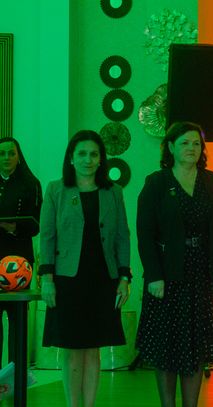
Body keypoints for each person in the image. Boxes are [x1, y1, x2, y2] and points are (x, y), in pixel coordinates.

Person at [136, 121, 213, 407]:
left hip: (204, 274)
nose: (191, 148)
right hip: (167, 276)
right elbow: (145, 233)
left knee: (196, 347)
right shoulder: (156, 182)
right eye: (184, 143)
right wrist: (154, 275)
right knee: (166, 347)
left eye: (196, 143)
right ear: (170, 147)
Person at [39, 130, 131, 407]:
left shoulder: (113, 192)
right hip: (67, 281)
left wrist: (124, 277)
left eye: (93, 154)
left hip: (103, 279)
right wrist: (47, 279)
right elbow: (47, 236)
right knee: (71, 349)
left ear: (101, 159)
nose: (88, 159)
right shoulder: (55, 190)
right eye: (82, 154)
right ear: (71, 158)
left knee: (93, 349)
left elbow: (122, 237)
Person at [0, 137, 42, 364]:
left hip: (19, 261)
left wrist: (13, 227)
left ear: (19, 156)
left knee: (17, 319)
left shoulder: (30, 183)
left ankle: (16, 375)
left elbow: (36, 225)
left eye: (11, 153)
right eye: (2, 153)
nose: (6, 157)